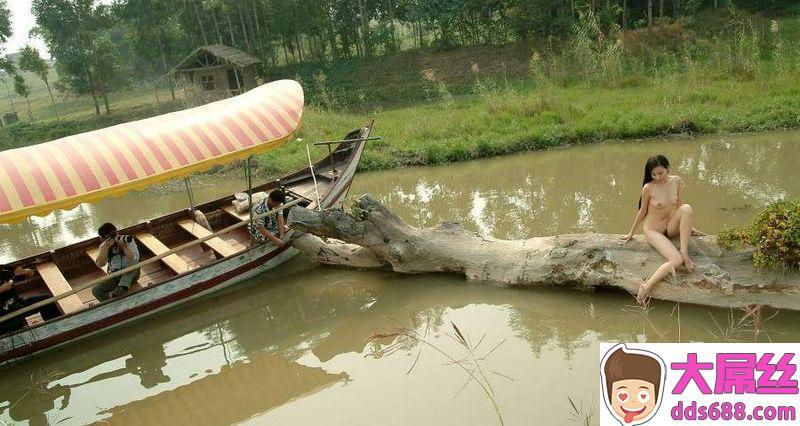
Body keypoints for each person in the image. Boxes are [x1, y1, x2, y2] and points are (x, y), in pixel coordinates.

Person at [620, 155, 698, 305]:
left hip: (670, 226)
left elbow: (678, 206)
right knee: (676, 260)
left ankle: (684, 252)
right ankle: (646, 287)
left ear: (668, 168)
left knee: (687, 208)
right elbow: (642, 211)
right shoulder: (648, 188)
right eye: (653, 174)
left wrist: (688, 226)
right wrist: (631, 232)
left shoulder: (677, 181)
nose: (657, 177)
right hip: (653, 230)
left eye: (660, 173)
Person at [1, 265, 61, 334]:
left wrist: (25, 271)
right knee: (17, 333)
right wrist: (1, 289)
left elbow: (31, 273)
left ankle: (55, 327)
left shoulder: (4, 270)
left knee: (47, 301)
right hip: (4, 317)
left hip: (19, 305)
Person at [93, 223, 140, 302]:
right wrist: (106, 248)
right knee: (96, 290)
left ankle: (121, 288)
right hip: (116, 275)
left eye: (115, 234)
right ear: (104, 238)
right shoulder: (104, 246)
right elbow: (100, 264)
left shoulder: (126, 240)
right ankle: (112, 303)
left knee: (134, 263)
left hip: (132, 274)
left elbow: (134, 259)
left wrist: (125, 247)